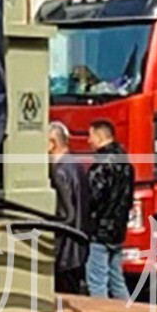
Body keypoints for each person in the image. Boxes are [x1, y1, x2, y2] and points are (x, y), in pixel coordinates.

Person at [85, 119, 135, 301]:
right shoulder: (126, 164)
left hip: (100, 230)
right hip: (118, 230)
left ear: (99, 137)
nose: (88, 141)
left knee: (97, 280)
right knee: (116, 279)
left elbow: (92, 197)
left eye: (90, 136)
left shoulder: (101, 166)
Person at [47, 121, 90, 294]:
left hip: (65, 249)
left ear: (52, 144)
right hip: (78, 244)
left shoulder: (60, 172)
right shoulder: (77, 166)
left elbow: (63, 213)